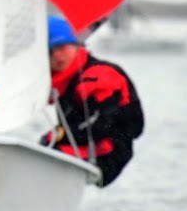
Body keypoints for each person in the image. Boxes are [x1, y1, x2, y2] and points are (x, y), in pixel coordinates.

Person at [42, 14, 143, 186]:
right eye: (50, 51)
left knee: (47, 153)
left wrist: (59, 135)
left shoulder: (98, 76)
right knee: (43, 150)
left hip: (110, 150)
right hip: (83, 146)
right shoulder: (61, 79)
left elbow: (104, 124)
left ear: (75, 45)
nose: (57, 56)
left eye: (61, 47)